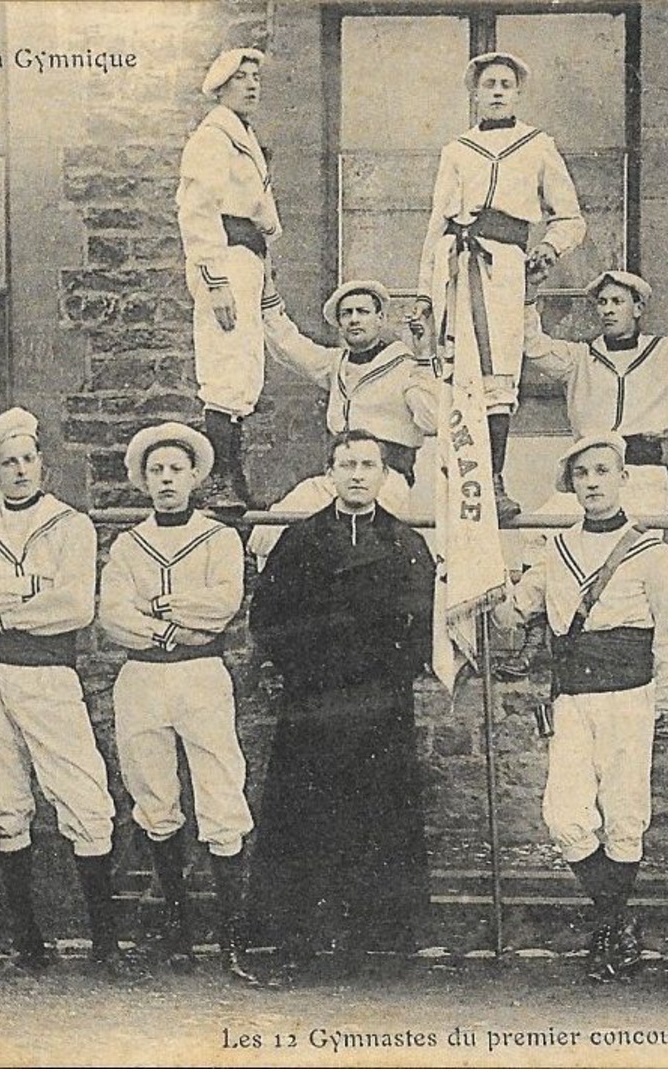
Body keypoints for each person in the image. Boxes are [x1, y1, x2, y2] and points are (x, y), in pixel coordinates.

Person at [493, 434, 668, 982]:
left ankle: (608, 934)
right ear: (572, 485)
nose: (594, 483)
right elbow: (515, 613)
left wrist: (667, 703)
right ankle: (618, 922)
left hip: (630, 696)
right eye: (583, 475)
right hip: (572, 699)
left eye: (603, 471)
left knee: (625, 818)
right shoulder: (555, 549)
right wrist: (478, 577)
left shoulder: (654, 553)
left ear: (623, 478)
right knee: (566, 818)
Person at [247, 429, 437, 977]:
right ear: (329, 474)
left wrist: (389, 671)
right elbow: (270, 618)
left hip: (380, 703)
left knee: (377, 813)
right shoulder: (300, 542)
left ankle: (373, 941)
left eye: (368, 465)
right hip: (315, 700)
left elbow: (421, 623)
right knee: (305, 816)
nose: (357, 474)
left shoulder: (406, 545)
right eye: (347, 464)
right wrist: (307, 669)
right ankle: (296, 938)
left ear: (383, 476)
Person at [0, 408, 121, 975]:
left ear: (42, 463)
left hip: (48, 676)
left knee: (84, 797)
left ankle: (106, 947)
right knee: (3, 799)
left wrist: (3, 611)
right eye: (7, 463)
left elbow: (74, 607)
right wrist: (24, 588)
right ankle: (29, 945)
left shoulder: (70, 525)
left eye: (27, 459)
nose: (19, 470)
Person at [99, 422, 259, 985]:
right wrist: (169, 630)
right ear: (143, 481)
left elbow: (222, 605)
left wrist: (162, 602)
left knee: (221, 798)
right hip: (144, 678)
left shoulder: (218, 538)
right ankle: (179, 934)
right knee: (155, 800)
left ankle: (233, 945)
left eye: (176, 470)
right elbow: (114, 615)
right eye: (156, 471)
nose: (167, 479)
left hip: (201, 677)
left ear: (195, 477)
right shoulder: (127, 543)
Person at [499, 268, 668, 678]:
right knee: (542, 534)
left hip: (641, 471)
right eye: (602, 303)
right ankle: (537, 638)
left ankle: (651, 660)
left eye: (617, 302)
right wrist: (528, 292)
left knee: (635, 552)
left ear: (638, 308)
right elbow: (532, 344)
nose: (607, 310)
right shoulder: (581, 357)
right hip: (588, 469)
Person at [414, 51, 586, 521]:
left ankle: (493, 480)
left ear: (516, 93)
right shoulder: (456, 150)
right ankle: (464, 482)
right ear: (474, 92)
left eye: (504, 85)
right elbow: (435, 225)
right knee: (457, 368)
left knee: (499, 372)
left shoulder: (536, 145)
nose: (495, 92)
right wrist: (425, 295)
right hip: (455, 265)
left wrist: (549, 248)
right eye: (488, 84)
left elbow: (570, 216)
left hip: (505, 266)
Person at [249, 278, 436, 563]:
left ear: (380, 318)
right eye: (346, 314)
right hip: (337, 475)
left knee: (360, 543)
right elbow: (290, 346)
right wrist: (268, 295)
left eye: (363, 312)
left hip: (388, 477)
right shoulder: (336, 363)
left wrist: (424, 358)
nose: (354, 320)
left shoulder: (405, 366)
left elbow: (432, 419)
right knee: (273, 525)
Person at [178, 47, 282, 512]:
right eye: (241, 78)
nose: (252, 85)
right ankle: (220, 478)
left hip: (246, 258)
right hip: (222, 256)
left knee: (243, 370)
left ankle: (232, 477)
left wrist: (269, 232)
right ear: (220, 87)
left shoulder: (244, 137)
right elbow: (198, 211)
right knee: (224, 366)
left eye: (256, 77)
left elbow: (260, 207)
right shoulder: (213, 137)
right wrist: (214, 280)